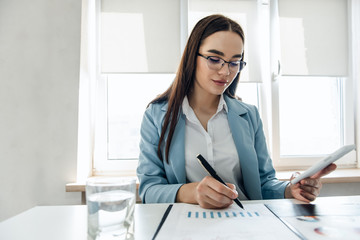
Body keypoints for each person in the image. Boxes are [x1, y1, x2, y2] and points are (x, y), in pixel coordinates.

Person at [136, 14, 336, 209]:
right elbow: (149, 190)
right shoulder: (156, 115)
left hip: (246, 221)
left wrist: (290, 189)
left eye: (234, 62)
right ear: (192, 56)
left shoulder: (249, 115)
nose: (225, 72)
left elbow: (264, 183)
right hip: (186, 225)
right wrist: (193, 192)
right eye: (214, 59)